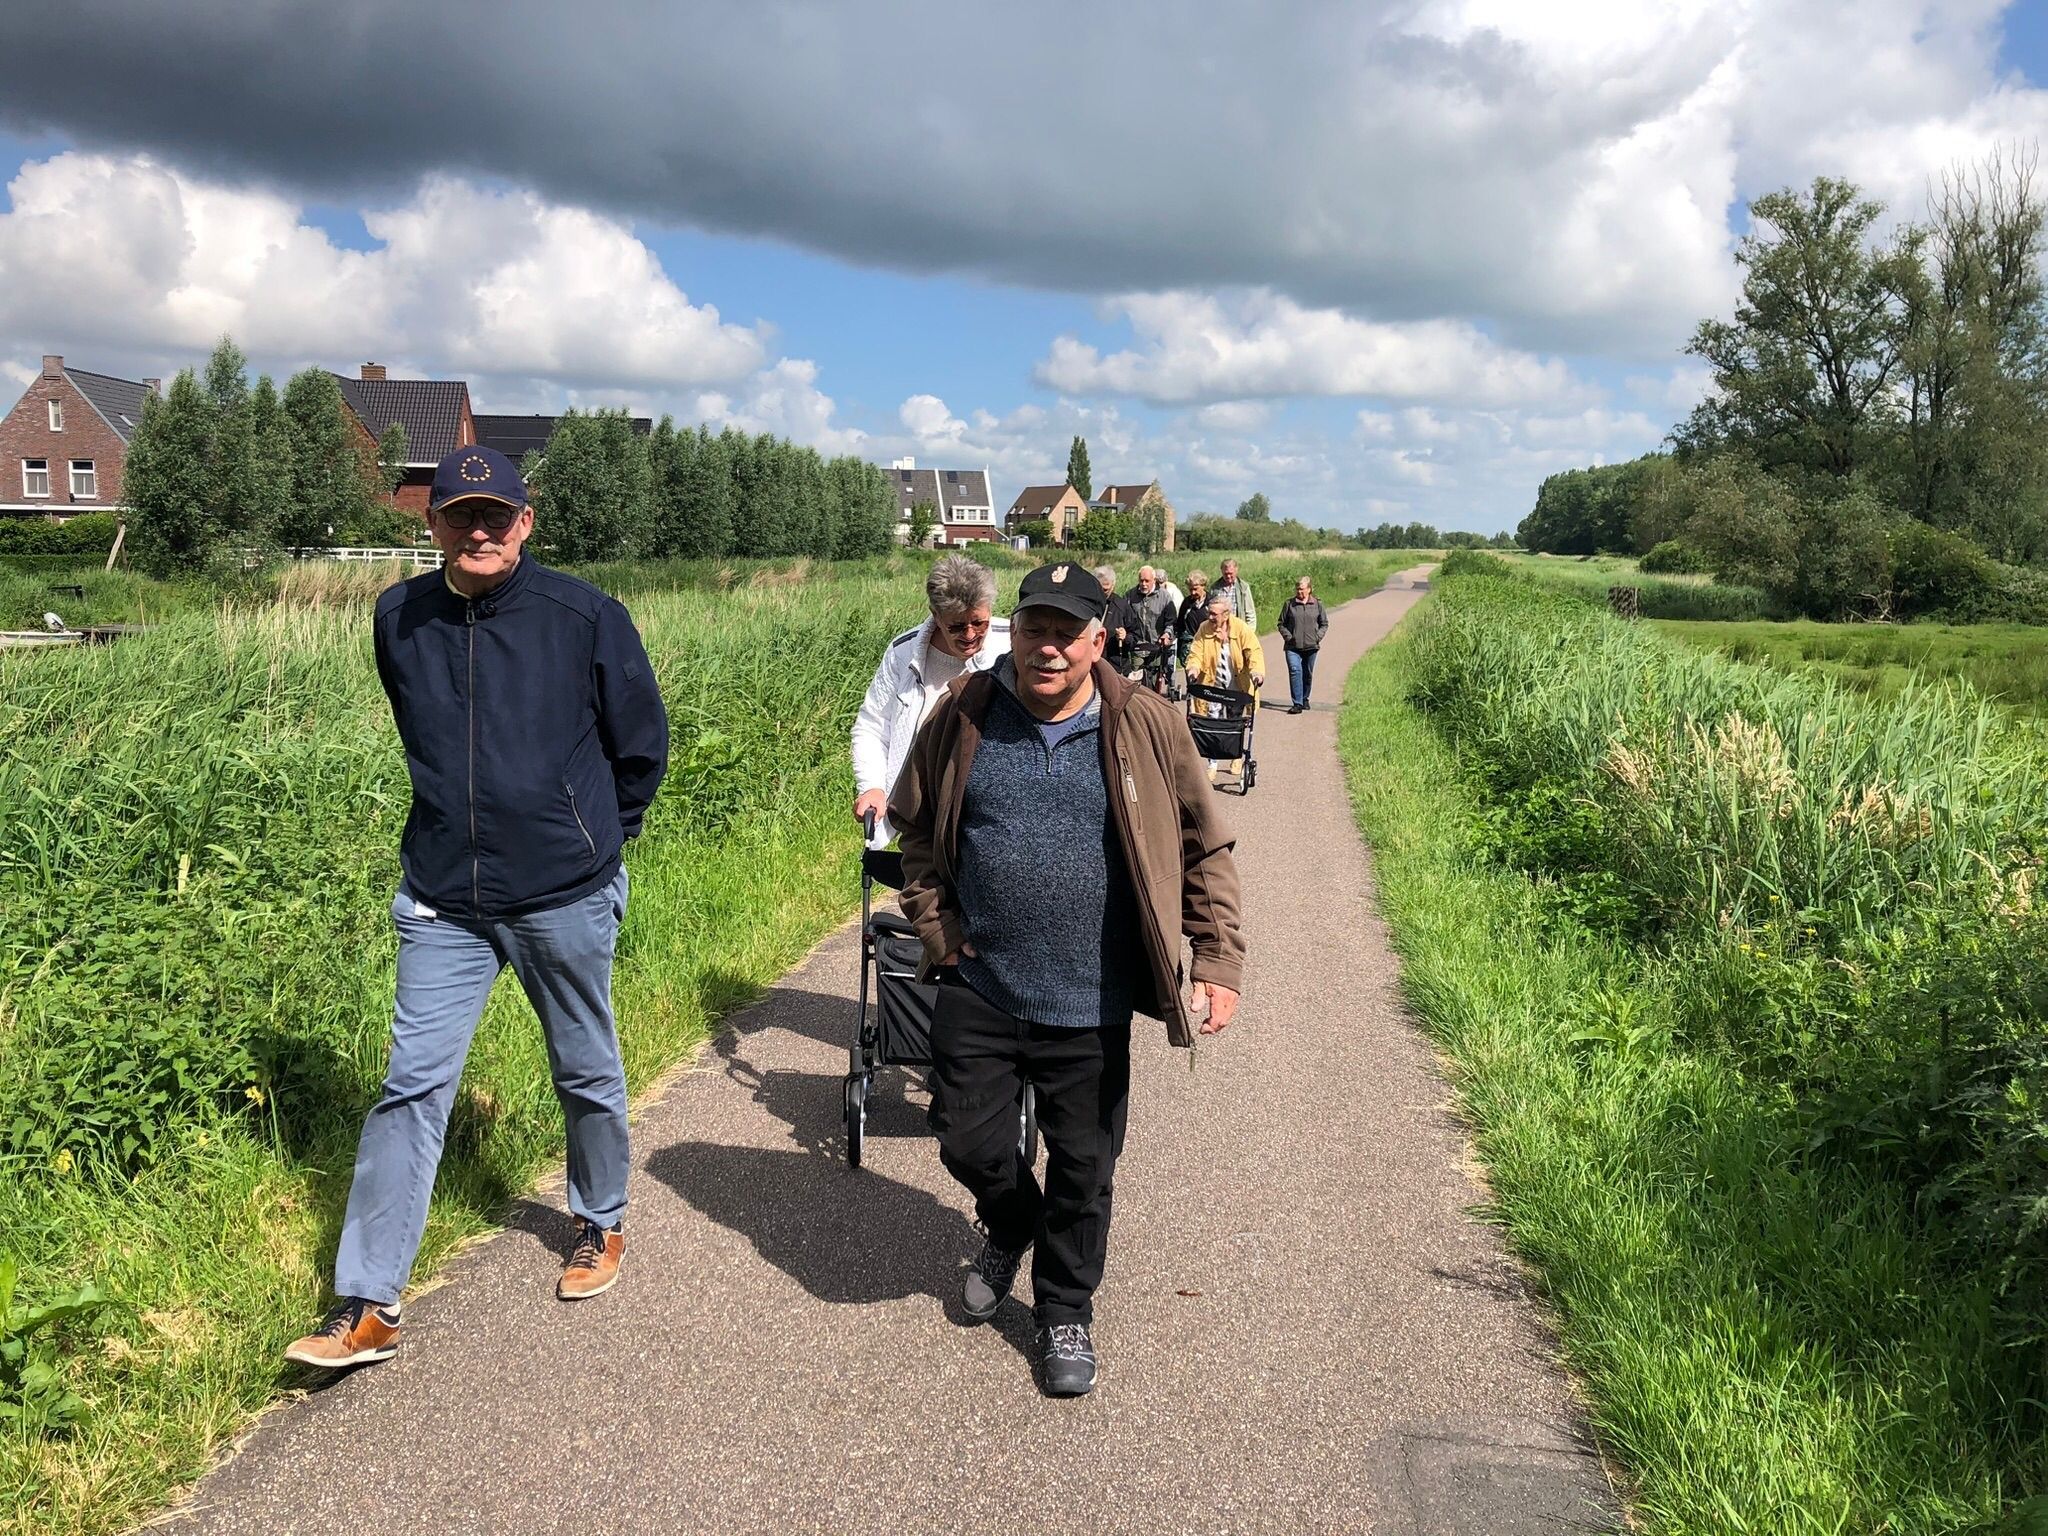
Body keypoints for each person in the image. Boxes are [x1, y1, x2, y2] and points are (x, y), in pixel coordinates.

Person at [284, 445, 670, 1371]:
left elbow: (641, 747)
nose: (480, 530)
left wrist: (590, 840)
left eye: (498, 515)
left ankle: (601, 1220)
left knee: (582, 1062)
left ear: (525, 522)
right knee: (411, 1086)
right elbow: (418, 732)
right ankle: (368, 1302)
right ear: (433, 524)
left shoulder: (585, 616)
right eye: (461, 514)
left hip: (561, 889)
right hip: (442, 895)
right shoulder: (399, 616)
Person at [889, 560, 1246, 1397]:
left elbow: (1205, 846)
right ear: (1014, 632)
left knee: (1084, 1169)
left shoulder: (1146, 724)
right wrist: (939, 931)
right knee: (966, 1140)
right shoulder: (964, 711)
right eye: (1034, 629)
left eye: (1065, 632)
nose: (1046, 648)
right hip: (981, 984)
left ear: (1099, 640)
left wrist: (1218, 957)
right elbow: (916, 832)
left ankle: (1062, 1308)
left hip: (1092, 1001)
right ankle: (1012, 1223)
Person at [851, 554, 1007, 846]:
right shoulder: (903, 652)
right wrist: (872, 786)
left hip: (991, 811)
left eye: (979, 623)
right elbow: (872, 726)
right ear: (935, 615)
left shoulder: (1011, 644)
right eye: (956, 626)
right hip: (922, 814)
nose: (970, 635)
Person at [1186, 590, 1263, 780]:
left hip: (1237, 686)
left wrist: (1257, 671)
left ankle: (1235, 757)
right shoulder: (1204, 628)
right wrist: (1193, 667)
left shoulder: (1240, 628)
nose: (1210, 617)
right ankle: (1212, 763)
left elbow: (1254, 651)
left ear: (1226, 614)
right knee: (1212, 722)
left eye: (1214, 614)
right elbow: (1196, 652)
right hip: (1212, 686)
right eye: (1209, 613)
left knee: (1234, 722)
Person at [1278, 575, 1330, 714]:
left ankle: (1305, 698)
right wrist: (1289, 637)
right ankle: (1297, 703)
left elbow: (1324, 623)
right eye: (1297, 589)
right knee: (1295, 671)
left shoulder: (1317, 604)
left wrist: (1317, 637)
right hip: (1292, 647)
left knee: (1307, 674)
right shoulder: (1289, 604)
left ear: (1309, 589)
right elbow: (1281, 624)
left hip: (1311, 646)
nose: (1299, 592)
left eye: (1302, 589)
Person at [1122, 564, 1178, 687]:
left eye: (1147, 581)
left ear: (1154, 580)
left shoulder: (1164, 597)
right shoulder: (1130, 596)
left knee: (1153, 681)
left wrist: (1167, 634)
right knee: (1136, 681)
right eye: (1141, 580)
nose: (1144, 584)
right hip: (1137, 646)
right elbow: (1124, 617)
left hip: (1156, 646)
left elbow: (1171, 621)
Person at [1095, 564, 1135, 674]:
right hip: (1090, 663)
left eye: (1105, 589)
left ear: (1113, 585)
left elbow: (1135, 637)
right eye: (1099, 588)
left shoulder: (1122, 606)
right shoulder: (1088, 603)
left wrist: (1125, 637)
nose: (1102, 592)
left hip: (1114, 666)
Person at [1175, 569, 1211, 674]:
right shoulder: (1187, 603)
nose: (1193, 592)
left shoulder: (1212, 602)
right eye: (1190, 589)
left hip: (1208, 644)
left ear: (1203, 586)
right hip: (1190, 647)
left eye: (1195, 589)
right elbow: (1180, 625)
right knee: (1192, 676)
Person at [1212, 557, 1256, 631]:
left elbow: (1250, 613)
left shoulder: (1243, 588)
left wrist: (1250, 631)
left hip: (1238, 628)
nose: (1228, 576)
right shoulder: (1215, 588)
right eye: (1226, 574)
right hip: (1220, 629)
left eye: (1230, 573)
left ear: (1236, 571)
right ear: (1222, 571)